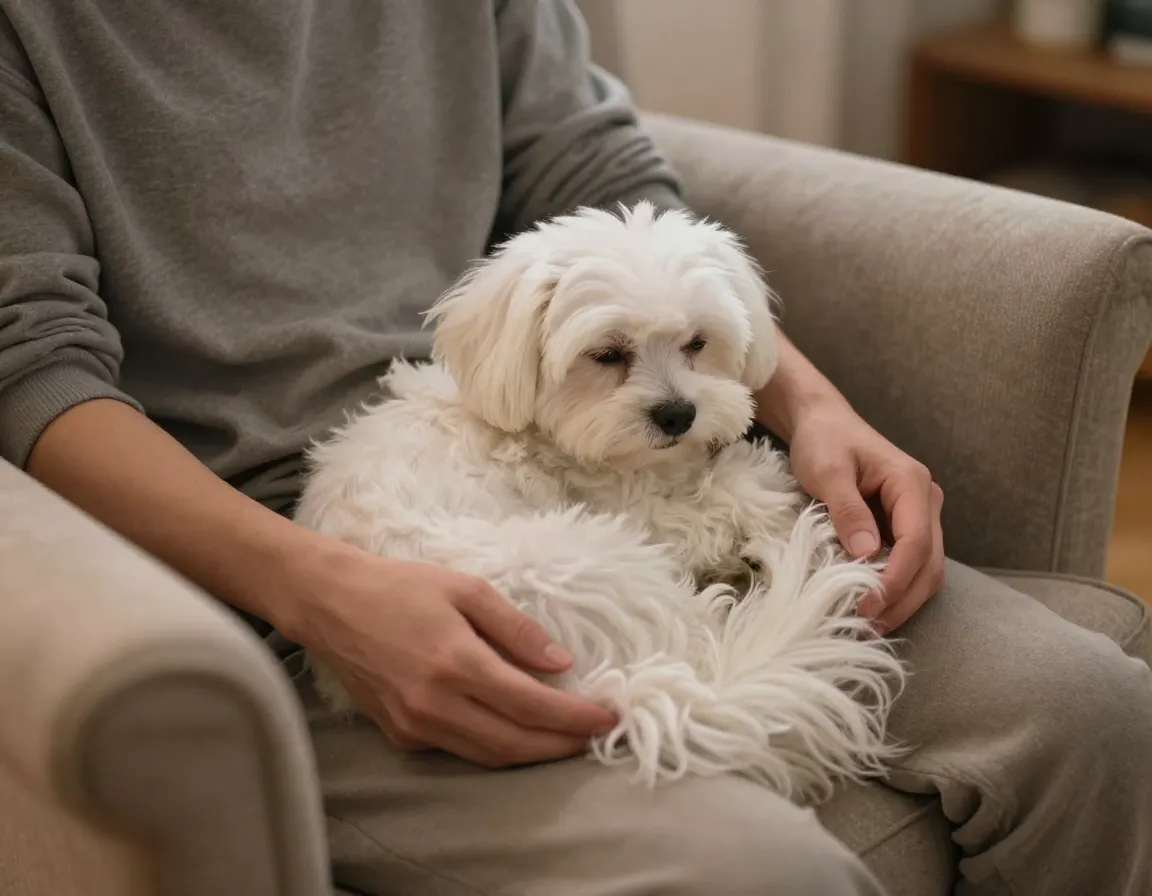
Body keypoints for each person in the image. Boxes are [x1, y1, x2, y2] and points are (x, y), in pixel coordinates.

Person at [1, 1, 1149, 893]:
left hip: (600, 478)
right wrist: (325, 595)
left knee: (1094, 715)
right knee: (763, 873)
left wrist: (814, 408)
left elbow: (598, 175)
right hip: (274, 579)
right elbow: (27, 357)